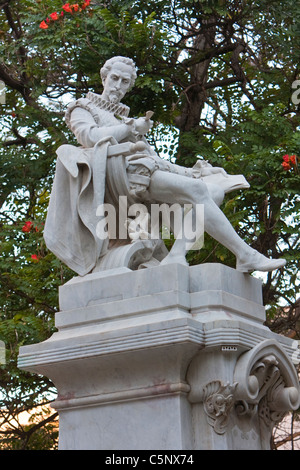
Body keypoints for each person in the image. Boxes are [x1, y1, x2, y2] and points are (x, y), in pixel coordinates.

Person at [44, 56, 286, 275]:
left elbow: (153, 161)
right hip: (120, 180)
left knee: (213, 190)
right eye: (114, 78)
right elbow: (89, 137)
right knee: (200, 192)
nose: (118, 86)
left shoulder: (124, 118)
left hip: (143, 173)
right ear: (104, 78)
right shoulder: (82, 107)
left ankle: (176, 256)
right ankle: (245, 254)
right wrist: (129, 129)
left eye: (125, 82)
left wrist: (197, 171)